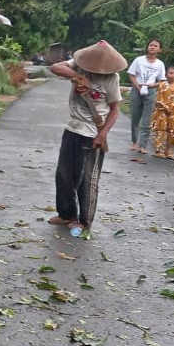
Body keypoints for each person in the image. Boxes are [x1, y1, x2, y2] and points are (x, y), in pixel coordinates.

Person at [48, 40, 125, 235]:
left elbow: (115, 109)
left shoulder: (111, 78)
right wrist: (77, 77)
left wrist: (103, 134)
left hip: (92, 132)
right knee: (64, 175)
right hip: (73, 128)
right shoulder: (78, 66)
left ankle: (84, 221)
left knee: (87, 180)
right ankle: (66, 213)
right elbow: (55, 67)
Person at [127, 40, 167, 155]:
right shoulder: (139, 60)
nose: (152, 47)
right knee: (135, 117)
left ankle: (143, 145)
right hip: (137, 89)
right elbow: (131, 74)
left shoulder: (159, 64)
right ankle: (134, 141)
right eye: (151, 45)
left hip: (151, 91)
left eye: (155, 46)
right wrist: (138, 87)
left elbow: (162, 81)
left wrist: (153, 85)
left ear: (159, 49)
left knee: (147, 119)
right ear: (147, 47)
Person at [150, 66, 174, 159]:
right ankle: (157, 150)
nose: (171, 75)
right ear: (166, 74)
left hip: (172, 111)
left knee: (172, 131)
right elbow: (159, 100)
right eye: (170, 73)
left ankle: (167, 151)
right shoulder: (162, 85)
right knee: (161, 130)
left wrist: (171, 109)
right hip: (162, 110)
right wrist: (166, 108)